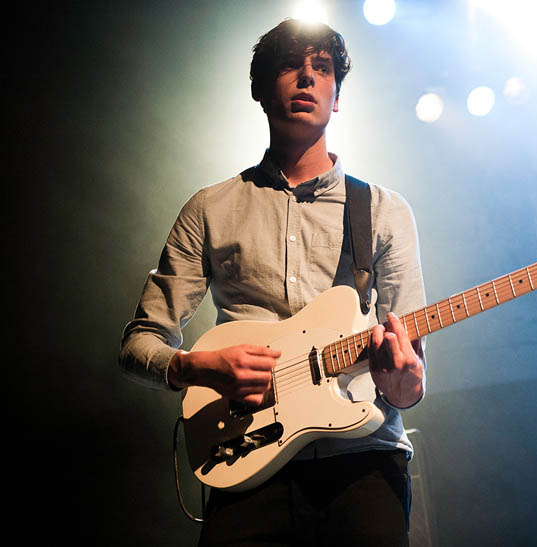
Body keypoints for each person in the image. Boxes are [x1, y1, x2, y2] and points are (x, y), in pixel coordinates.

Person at [119, 18, 426, 546]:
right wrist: (197, 367)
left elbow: (411, 380)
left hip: (363, 465)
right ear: (261, 90)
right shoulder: (209, 208)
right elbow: (137, 342)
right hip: (244, 461)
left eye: (322, 68)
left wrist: (404, 382)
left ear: (337, 96)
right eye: (291, 65)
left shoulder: (383, 210)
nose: (307, 78)